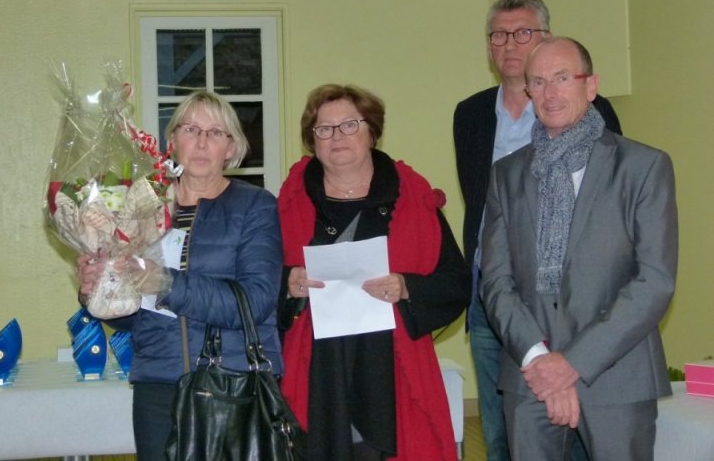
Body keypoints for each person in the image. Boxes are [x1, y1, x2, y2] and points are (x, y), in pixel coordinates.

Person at [480, 37, 677, 460]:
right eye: (538, 82)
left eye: (563, 78)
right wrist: (539, 359)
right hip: (530, 377)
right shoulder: (506, 175)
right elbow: (496, 282)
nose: (550, 92)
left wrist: (571, 363)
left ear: (591, 86)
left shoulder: (643, 167)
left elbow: (654, 281)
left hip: (617, 376)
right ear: (528, 91)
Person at [452, 0, 621, 460]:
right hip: (494, 294)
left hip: (570, 298)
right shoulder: (470, 114)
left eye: (523, 32)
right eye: (499, 34)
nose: (510, 43)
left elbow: (606, 203)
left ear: (547, 37)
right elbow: (479, 201)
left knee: (577, 425)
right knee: (502, 427)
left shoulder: (587, 109)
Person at [77, 91, 283, 461]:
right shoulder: (141, 209)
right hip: (159, 388)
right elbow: (133, 318)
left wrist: (166, 284)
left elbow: (256, 302)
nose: (202, 142)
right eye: (191, 129)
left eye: (216, 133)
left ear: (231, 148)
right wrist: (99, 289)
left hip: (236, 384)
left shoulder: (256, 205)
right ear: (171, 141)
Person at [278, 84, 471, 461]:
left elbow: (456, 282)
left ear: (372, 132)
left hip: (391, 369)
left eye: (350, 125)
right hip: (317, 369)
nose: (337, 137)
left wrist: (407, 287)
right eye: (324, 129)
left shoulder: (413, 197)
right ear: (312, 141)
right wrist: (287, 283)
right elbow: (261, 278)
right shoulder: (289, 201)